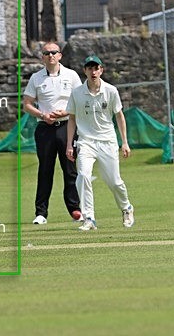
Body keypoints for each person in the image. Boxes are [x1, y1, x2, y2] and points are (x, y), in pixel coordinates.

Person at [66, 55, 135, 231]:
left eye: (96, 68)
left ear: (101, 70)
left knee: (114, 181)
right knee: (83, 176)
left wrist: (124, 142)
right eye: (89, 68)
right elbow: (72, 119)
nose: (93, 71)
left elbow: (119, 116)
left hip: (107, 141)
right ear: (85, 71)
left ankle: (126, 208)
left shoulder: (111, 91)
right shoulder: (76, 93)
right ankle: (89, 218)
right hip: (86, 141)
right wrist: (69, 145)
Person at [23, 42, 83, 225]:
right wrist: (42, 114)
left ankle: (75, 209)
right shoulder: (36, 78)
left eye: (54, 52)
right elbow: (27, 104)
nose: (50, 56)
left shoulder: (71, 75)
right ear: (42, 57)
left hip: (67, 126)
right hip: (45, 128)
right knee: (45, 170)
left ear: (60, 55)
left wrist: (65, 112)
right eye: (46, 53)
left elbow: (80, 100)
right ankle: (41, 213)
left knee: (70, 169)